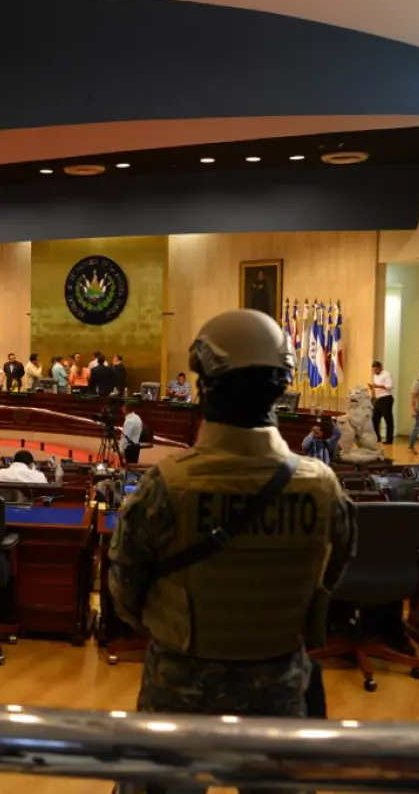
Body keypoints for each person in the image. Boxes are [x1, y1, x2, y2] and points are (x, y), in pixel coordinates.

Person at [109, 309, 355, 794]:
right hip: (280, 683)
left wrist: (178, 627)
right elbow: (334, 574)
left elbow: (124, 592)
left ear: (204, 388)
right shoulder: (323, 487)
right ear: (281, 386)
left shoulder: (166, 486)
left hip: (180, 686)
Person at [368, 361, 395, 445]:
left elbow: (390, 386)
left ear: (380, 367)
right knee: (374, 419)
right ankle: (377, 437)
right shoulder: (375, 376)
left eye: (376, 369)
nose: (375, 371)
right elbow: (376, 388)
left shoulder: (386, 374)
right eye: (373, 369)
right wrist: (372, 388)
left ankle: (389, 439)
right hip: (378, 399)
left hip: (386, 398)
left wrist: (377, 386)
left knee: (388, 419)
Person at [119, 400, 143, 466]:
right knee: (133, 466)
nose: (122, 409)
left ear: (127, 409)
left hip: (130, 448)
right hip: (136, 446)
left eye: (123, 407)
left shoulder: (129, 421)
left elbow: (126, 437)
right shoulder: (137, 417)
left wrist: (121, 450)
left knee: (129, 468)